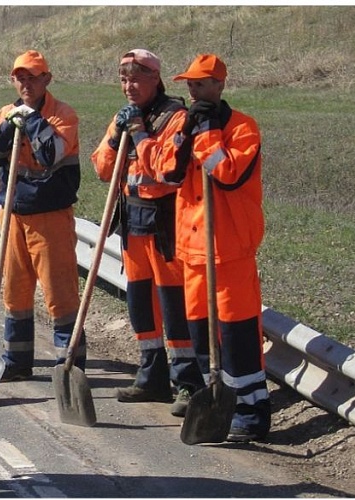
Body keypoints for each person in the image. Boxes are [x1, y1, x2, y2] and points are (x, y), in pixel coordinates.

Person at [133, 53, 271, 440]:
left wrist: (208, 133)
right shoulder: (191, 124)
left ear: (220, 85)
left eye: (201, 84)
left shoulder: (242, 128)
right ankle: (219, 403)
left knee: (237, 336)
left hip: (229, 251)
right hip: (193, 252)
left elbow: (227, 175)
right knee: (203, 338)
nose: (194, 91)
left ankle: (252, 411)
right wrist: (184, 137)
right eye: (190, 84)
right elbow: (167, 174)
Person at [91, 50, 203, 409]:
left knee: (174, 305)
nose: (129, 86)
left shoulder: (175, 117)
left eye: (136, 78)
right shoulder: (123, 118)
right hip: (132, 222)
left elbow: (166, 171)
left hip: (165, 223)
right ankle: (151, 376)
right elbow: (102, 170)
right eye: (124, 79)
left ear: (156, 78)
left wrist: (139, 133)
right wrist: (115, 138)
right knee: (141, 304)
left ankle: (188, 382)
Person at [0, 51, 82, 381]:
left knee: (60, 295)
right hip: (12, 215)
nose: (26, 83)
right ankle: (16, 361)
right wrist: (7, 128)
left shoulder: (63, 115)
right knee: (15, 291)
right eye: (20, 77)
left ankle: (69, 365)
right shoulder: (6, 114)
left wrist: (32, 121)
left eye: (33, 77)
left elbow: (52, 154)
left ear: (46, 79)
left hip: (50, 217)